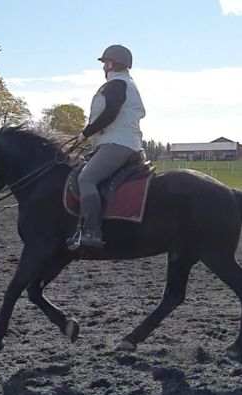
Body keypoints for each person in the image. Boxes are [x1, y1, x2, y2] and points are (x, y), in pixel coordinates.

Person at [68, 44, 146, 249]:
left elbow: (109, 114)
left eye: (105, 63)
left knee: (86, 178)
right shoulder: (122, 83)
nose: (103, 67)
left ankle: (92, 232)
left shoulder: (117, 84)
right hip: (114, 141)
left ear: (112, 63)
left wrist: (85, 133)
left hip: (119, 142)